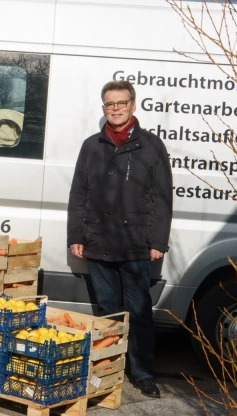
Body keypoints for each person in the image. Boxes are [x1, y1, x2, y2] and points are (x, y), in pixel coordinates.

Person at [67, 80, 172, 399]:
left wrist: (157, 242)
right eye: (110, 105)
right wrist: (76, 235)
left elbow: (162, 198)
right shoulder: (91, 145)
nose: (115, 109)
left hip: (136, 245)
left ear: (133, 105)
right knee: (108, 310)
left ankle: (141, 371)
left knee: (139, 311)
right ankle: (108, 366)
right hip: (98, 244)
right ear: (104, 109)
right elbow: (78, 193)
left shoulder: (152, 146)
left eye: (121, 103)